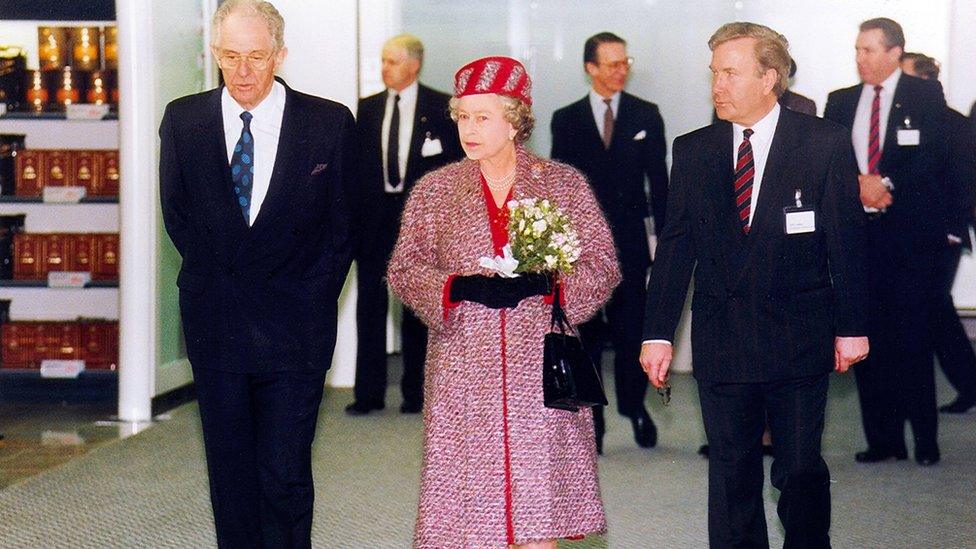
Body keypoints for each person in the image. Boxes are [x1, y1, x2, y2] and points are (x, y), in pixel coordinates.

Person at [640, 22, 868, 547]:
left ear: (770, 78)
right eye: (714, 73)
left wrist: (853, 326)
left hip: (798, 336)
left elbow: (847, 243)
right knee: (731, 474)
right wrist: (657, 334)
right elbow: (676, 249)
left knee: (797, 472)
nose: (717, 86)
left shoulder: (822, 142)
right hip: (723, 338)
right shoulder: (693, 149)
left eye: (731, 73)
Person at [388, 56, 619, 548]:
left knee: (539, 517)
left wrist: (551, 290)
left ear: (515, 120)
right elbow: (403, 270)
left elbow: (602, 266)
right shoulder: (435, 191)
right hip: (463, 372)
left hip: (540, 367)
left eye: (482, 117)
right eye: (461, 117)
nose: (467, 129)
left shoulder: (562, 185)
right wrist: (457, 288)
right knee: (470, 521)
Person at [159, 1, 357, 546]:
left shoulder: (328, 123)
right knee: (230, 475)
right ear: (214, 54)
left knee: (285, 473)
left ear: (280, 53)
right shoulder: (184, 120)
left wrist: (310, 295)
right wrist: (219, 281)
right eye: (230, 57)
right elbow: (176, 214)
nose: (243, 71)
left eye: (256, 56)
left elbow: (343, 229)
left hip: (296, 329)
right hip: (216, 323)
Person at [825, 18, 951, 465]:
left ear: (895, 52)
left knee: (913, 341)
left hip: (910, 241)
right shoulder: (840, 102)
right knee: (867, 340)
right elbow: (830, 161)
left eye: (869, 50)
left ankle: (924, 439)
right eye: (857, 50)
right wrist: (857, 181)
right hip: (860, 242)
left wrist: (887, 183)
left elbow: (935, 156)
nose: (860, 58)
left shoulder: (924, 96)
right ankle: (883, 440)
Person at [550, 32, 668, 453]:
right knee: (585, 334)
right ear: (591, 68)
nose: (622, 70)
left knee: (631, 329)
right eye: (612, 64)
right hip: (580, 248)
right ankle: (593, 419)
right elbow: (558, 188)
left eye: (625, 62)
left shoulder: (645, 114)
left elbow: (660, 184)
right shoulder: (566, 119)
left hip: (631, 243)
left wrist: (667, 245)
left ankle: (634, 407)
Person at [348, 34, 462, 416]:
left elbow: (455, 170)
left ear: (414, 65)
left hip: (420, 221)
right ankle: (368, 393)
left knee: (416, 306)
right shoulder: (367, 109)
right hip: (374, 219)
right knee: (370, 304)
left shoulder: (441, 107)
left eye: (392, 61)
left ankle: (416, 392)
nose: (385, 68)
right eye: (382, 60)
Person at [900, 52, 976, 414]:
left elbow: (964, 185)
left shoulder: (955, 125)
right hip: (914, 235)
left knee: (935, 310)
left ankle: (968, 384)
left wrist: (950, 229)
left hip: (944, 237)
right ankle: (968, 383)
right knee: (935, 310)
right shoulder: (914, 119)